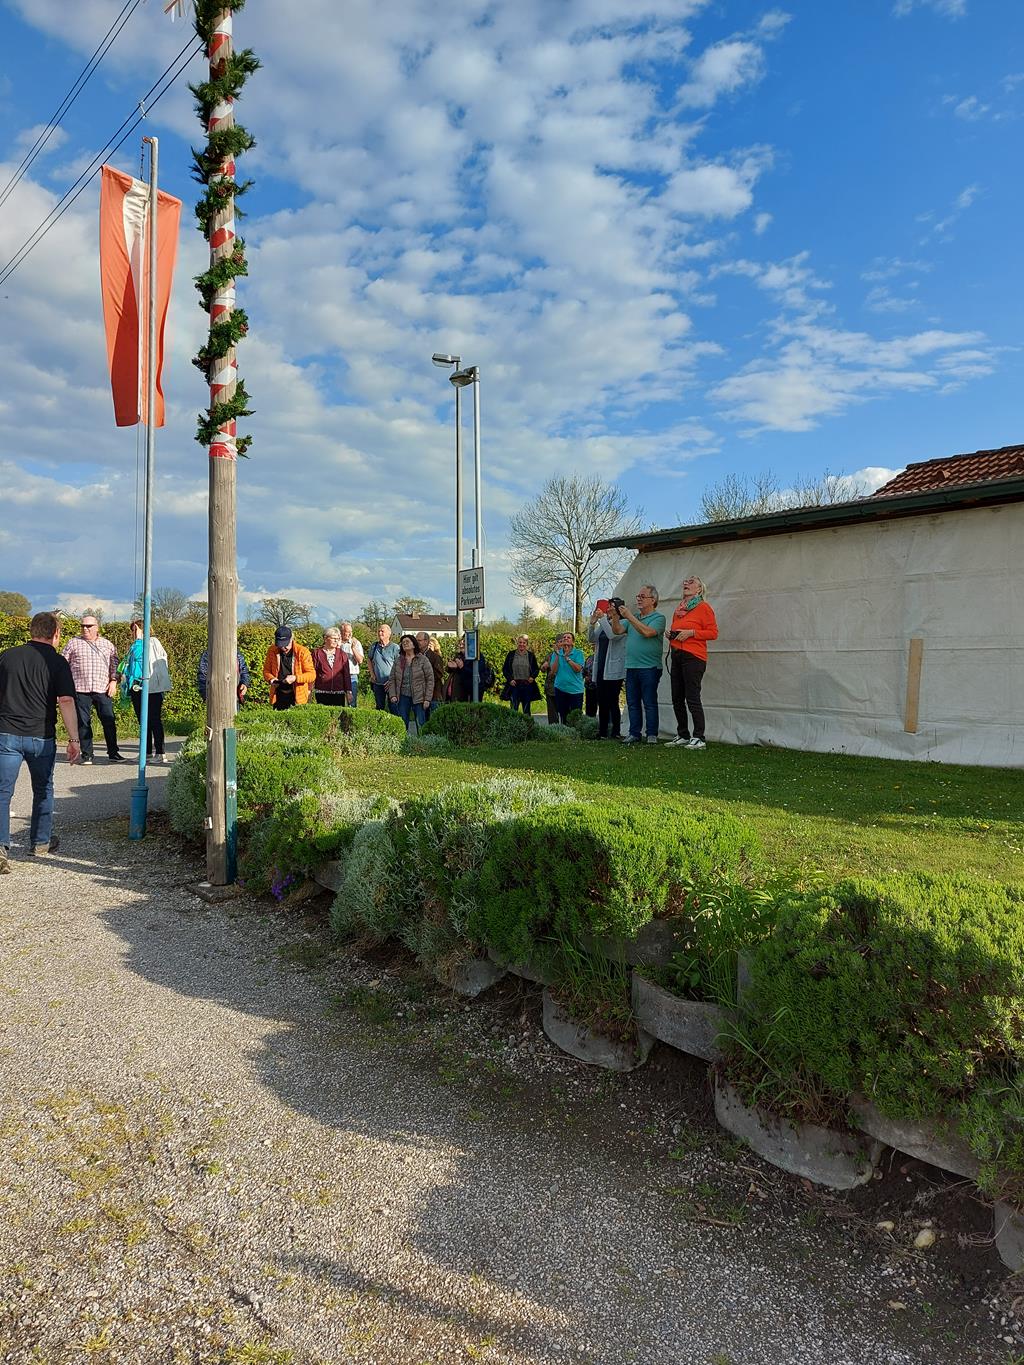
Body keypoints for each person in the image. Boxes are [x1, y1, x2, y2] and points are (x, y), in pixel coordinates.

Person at [0, 611, 81, 871]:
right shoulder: (57, 662)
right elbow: (66, 700)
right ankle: (40, 842)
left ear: (32, 630)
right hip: (41, 736)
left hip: (6, 734)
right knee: (43, 788)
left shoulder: (7, 656)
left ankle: (0, 847)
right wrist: (74, 739)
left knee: (2, 792)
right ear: (55, 634)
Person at [665, 574, 719, 750]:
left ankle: (699, 737)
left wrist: (692, 633)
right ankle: (682, 734)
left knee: (692, 697)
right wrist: (670, 634)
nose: (686, 584)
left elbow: (713, 633)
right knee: (677, 697)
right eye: (685, 582)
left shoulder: (704, 607)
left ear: (699, 589)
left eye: (691, 582)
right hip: (677, 654)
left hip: (694, 657)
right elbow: (677, 629)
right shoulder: (679, 609)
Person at [62, 612, 124, 764]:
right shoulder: (73, 643)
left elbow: (115, 665)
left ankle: (113, 753)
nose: (85, 629)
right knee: (83, 722)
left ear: (97, 627)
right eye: (82, 626)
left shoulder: (107, 644)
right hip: (80, 689)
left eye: (89, 626)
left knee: (109, 721)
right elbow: (62, 664)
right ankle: (87, 754)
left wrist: (114, 681)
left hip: (102, 688)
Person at [609, 585, 666, 745]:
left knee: (649, 702)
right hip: (632, 666)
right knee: (633, 703)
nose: (639, 599)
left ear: (653, 600)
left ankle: (651, 734)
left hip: (650, 667)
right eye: (638, 596)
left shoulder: (659, 618)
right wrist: (615, 616)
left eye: (642, 596)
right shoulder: (633, 617)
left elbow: (647, 632)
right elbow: (617, 630)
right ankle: (634, 733)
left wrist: (629, 616)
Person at [119, 620, 172, 763]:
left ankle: (160, 752)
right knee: (143, 721)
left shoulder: (152, 642)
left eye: (134, 630)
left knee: (154, 719)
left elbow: (140, 655)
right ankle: (146, 751)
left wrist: (139, 638)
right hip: (137, 686)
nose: (132, 633)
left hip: (151, 687)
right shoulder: (135, 645)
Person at [588, 603, 626, 739]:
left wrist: (602, 619)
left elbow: (612, 635)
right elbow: (591, 639)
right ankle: (602, 731)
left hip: (613, 669)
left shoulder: (623, 623)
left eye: (611, 606)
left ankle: (616, 731)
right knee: (602, 701)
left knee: (612, 700)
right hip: (601, 668)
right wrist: (592, 624)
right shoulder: (605, 623)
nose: (608, 609)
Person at [386, 633, 433, 730]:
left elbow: (430, 679)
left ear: (414, 644)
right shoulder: (398, 661)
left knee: (421, 724)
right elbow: (392, 679)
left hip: (420, 697)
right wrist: (393, 695)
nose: (405, 644)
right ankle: (404, 739)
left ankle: (422, 740)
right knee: (402, 725)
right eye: (403, 642)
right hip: (403, 696)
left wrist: (427, 699)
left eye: (407, 641)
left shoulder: (423, 660)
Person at [262, 627, 315, 710]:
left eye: (286, 644)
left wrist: (295, 678)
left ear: (291, 639)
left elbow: (312, 675)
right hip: (278, 694)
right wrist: (271, 679)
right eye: (280, 645)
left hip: (297, 695)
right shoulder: (272, 650)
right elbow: (266, 670)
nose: (283, 647)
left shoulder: (302, 652)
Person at [541, 631, 585, 724]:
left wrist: (567, 658)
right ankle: (565, 731)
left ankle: (576, 732)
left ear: (573, 642)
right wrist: (558, 655)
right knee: (563, 715)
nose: (565, 638)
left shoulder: (578, 653)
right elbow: (553, 671)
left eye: (568, 637)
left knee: (575, 716)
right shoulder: (556, 654)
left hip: (576, 690)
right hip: (560, 689)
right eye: (564, 637)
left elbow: (578, 669)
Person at [445, 635, 495, 702]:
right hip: (456, 692)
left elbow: (476, 673)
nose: (461, 645)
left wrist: (462, 667)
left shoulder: (477, 656)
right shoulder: (459, 655)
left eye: (464, 643)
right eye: (461, 642)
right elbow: (452, 671)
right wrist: (450, 667)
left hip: (470, 692)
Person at [312, 626, 352, 706]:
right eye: (333, 638)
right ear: (325, 638)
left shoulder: (342, 654)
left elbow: (346, 675)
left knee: (338, 713)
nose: (336, 641)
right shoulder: (317, 653)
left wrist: (348, 691)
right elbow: (312, 672)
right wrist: (309, 689)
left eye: (337, 639)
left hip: (339, 692)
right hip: (322, 691)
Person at [501, 636, 541, 716]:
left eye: (524, 643)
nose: (521, 644)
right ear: (517, 643)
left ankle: (528, 724)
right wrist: (510, 679)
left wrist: (532, 677)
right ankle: (513, 723)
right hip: (514, 685)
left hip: (527, 685)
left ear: (526, 644)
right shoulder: (511, 654)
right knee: (513, 709)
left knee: (526, 710)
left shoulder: (530, 655)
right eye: (520, 642)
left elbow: (536, 669)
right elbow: (505, 669)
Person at [367, 623, 400, 711]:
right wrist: (372, 674)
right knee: (379, 707)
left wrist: (392, 680)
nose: (380, 633)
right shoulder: (374, 646)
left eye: (382, 631)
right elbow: (369, 659)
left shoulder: (395, 648)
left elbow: (399, 665)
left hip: (391, 684)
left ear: (389, 633)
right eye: (379, 631)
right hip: (378, 683)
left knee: (393, 707)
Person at [416, 631, 445, 717]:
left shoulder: (435, 657)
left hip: (434, 694)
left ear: (426, 641)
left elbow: (439, 674)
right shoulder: (415, 656)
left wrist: (425, 679)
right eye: (416, 640)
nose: (417, 642)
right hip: (419, 695)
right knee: (421, 720)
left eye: (419, 640)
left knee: (434, 719)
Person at [338, 621, 364, 708]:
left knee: (352, 702)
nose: (350, 634)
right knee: (338, 701)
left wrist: (353, 648)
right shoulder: (337, 643)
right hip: (338, 676)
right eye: (347, 632)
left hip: (352, 676)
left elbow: (360, 660)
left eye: (351, 632)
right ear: (342, 632)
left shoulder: (356, 643)